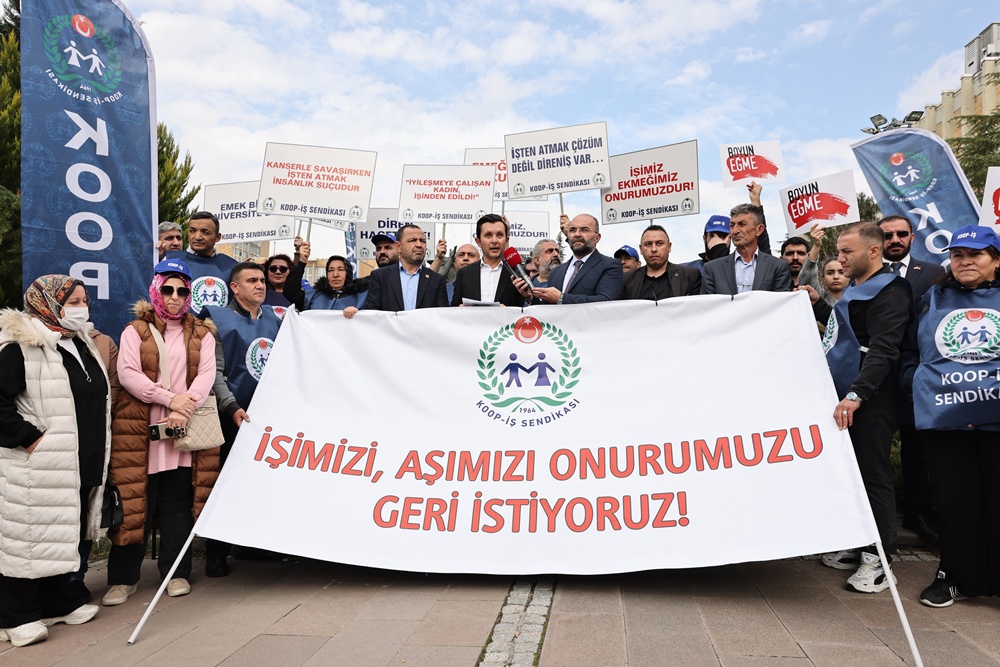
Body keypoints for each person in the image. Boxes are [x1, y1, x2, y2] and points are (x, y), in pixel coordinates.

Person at [103, 259, 220, 607]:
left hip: (182, 432)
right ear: (155, 289)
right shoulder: (135, 330)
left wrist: (184, 407)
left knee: (176, 506)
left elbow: (207, 375)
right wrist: (171, 400)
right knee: (135, 505)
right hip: (139, 433)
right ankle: (123, 579)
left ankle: (175, 573)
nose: (174, 296)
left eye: (182, 290)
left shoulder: (202, 333)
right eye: (167, 289)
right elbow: (128, 373)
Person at [0, 276, 109, 647]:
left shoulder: (79, 341)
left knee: (61, 532)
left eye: (84, 300)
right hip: (36, 464)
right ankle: (15, 616)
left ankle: (58, 602)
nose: (82, 308)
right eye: (73, 301)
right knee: (28, 538)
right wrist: (30, 439)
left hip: (76, 460)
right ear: (47, 304)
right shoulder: (20, 344)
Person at [812, 222, 913, 593]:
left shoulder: (892, 290)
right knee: (851, 472)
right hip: (848, 392)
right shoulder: (856, 287)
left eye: (847, 252)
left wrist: (857, 394)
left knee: (872, 474)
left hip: (872, 396)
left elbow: (884, 348)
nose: (840, 259)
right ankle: (859, 542)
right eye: (838, 251)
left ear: (873, 251)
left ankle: (880, 558)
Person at [904, 225, 1000, 607]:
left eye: (976, 254)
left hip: (995, 419)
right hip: (946, 419)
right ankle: (954, 575)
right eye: (958, 254)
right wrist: (915, 381)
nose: (965, 261)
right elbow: (909, 350)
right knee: (955, 501)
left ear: (995, 260)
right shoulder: (930, 299)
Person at [202, 262, 282, 576]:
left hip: (267, 418)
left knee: (259, 483)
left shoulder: (276, 321)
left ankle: (252, 545)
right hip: (232, 415)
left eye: (262, 280)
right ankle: (216, 552)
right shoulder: (218, 320)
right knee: (226, 484)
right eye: (252, 280)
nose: (260, 285)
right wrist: (231, 406)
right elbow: (215, 372)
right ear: (235, 288)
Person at [879, 214, 947, 545]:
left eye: (901, 234)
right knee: (874, 450)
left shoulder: (934, 273)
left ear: (912, 237)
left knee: (916, 449)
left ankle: (917, 513)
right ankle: (873, 518)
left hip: (917, 374)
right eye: (887, 235)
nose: (894, 239)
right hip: (875, 375)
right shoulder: (866, 273)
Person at [345, 225, 448, 315]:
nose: (419, 245)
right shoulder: (379, 276)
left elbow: (442, 317)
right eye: (412, 240)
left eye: (422, 241)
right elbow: (372, 314)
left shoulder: (437, 280)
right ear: (398, 247)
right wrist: (357, 315)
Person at [526, 214, 623, 304]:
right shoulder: (556, 272)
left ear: (597, 238)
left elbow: (606, 302)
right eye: (572, 230)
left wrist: (561, 298)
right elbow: (549, 308)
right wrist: (530, 298)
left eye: (584, 230)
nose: (577, 234)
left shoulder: (610, 265)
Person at [701, 204, 793, 295]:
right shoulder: (712, 268)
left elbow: (781, 302)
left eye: (742, 225)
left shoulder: (777, 266)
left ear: (759, 230)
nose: (735, 231)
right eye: (732, 225)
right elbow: (708, 303)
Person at [165, 211, 238, 313]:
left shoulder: (232, 266)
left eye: (205, 232)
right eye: (192, 231)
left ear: (217, 237)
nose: (197, 237)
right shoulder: (169, 261)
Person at [451, 214, 528, 307]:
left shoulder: (518, 273)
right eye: (488, 235)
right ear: (478, 241)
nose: (494, 241)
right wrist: (460, 309)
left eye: (499, 235)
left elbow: (529, 308)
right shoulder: (464, 273)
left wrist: (510, 310)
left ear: (506, 240)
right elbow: (453, 308)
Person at [621, 225, 701, 299]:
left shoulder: (690, 276)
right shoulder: (626, 280)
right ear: (641, 249)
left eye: (659, 243)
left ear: (669, 247)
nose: (654, 249)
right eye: (648, 244)